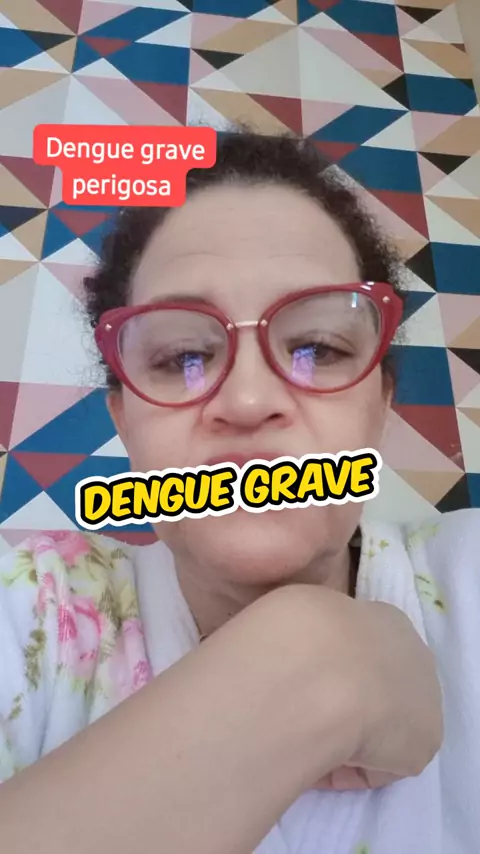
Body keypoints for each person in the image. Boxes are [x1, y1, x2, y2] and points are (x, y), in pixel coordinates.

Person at [0, 128, 478, 854]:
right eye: (182, 356)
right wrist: (313, 659)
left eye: (318, 347)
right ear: (125, 423)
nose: (249, 401)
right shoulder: (28, 611)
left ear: (379, 405)